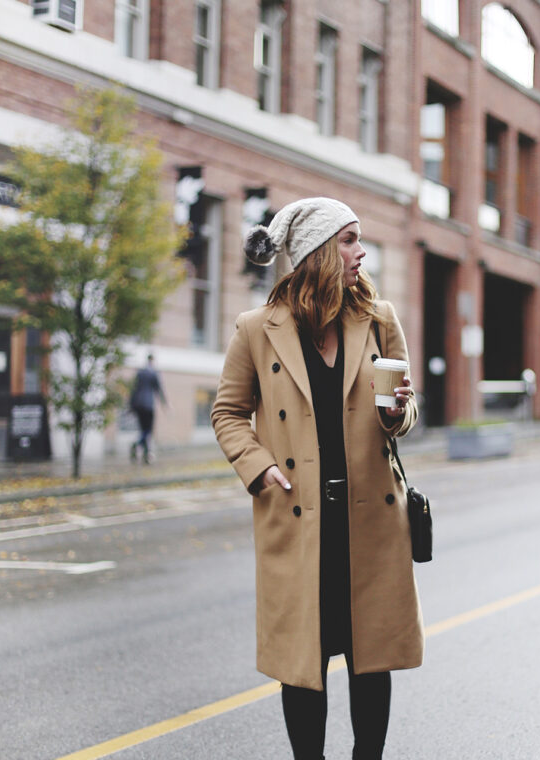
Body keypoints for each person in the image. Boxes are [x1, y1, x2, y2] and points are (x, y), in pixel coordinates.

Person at [211, 197, 423, 760]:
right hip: (299, 515)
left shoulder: (378, 318)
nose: (360, 252)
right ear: (318, 252)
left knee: (369, 657)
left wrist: (397, 412)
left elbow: (404, 414)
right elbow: (228, 413)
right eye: (350, 240)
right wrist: (260, 470)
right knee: (304, 666)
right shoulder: (258, 330)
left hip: (368, 519)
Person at [129, 353, 166, 464]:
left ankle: (146, 456)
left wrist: (131, 405)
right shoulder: (153, 373)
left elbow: (134, 389)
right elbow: (159, 390)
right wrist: (165, 404)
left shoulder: (140, 373)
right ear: (152, 361)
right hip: (148, 405)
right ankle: (137, 444)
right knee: (148, 430)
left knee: (143, 430)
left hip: (138, 405)